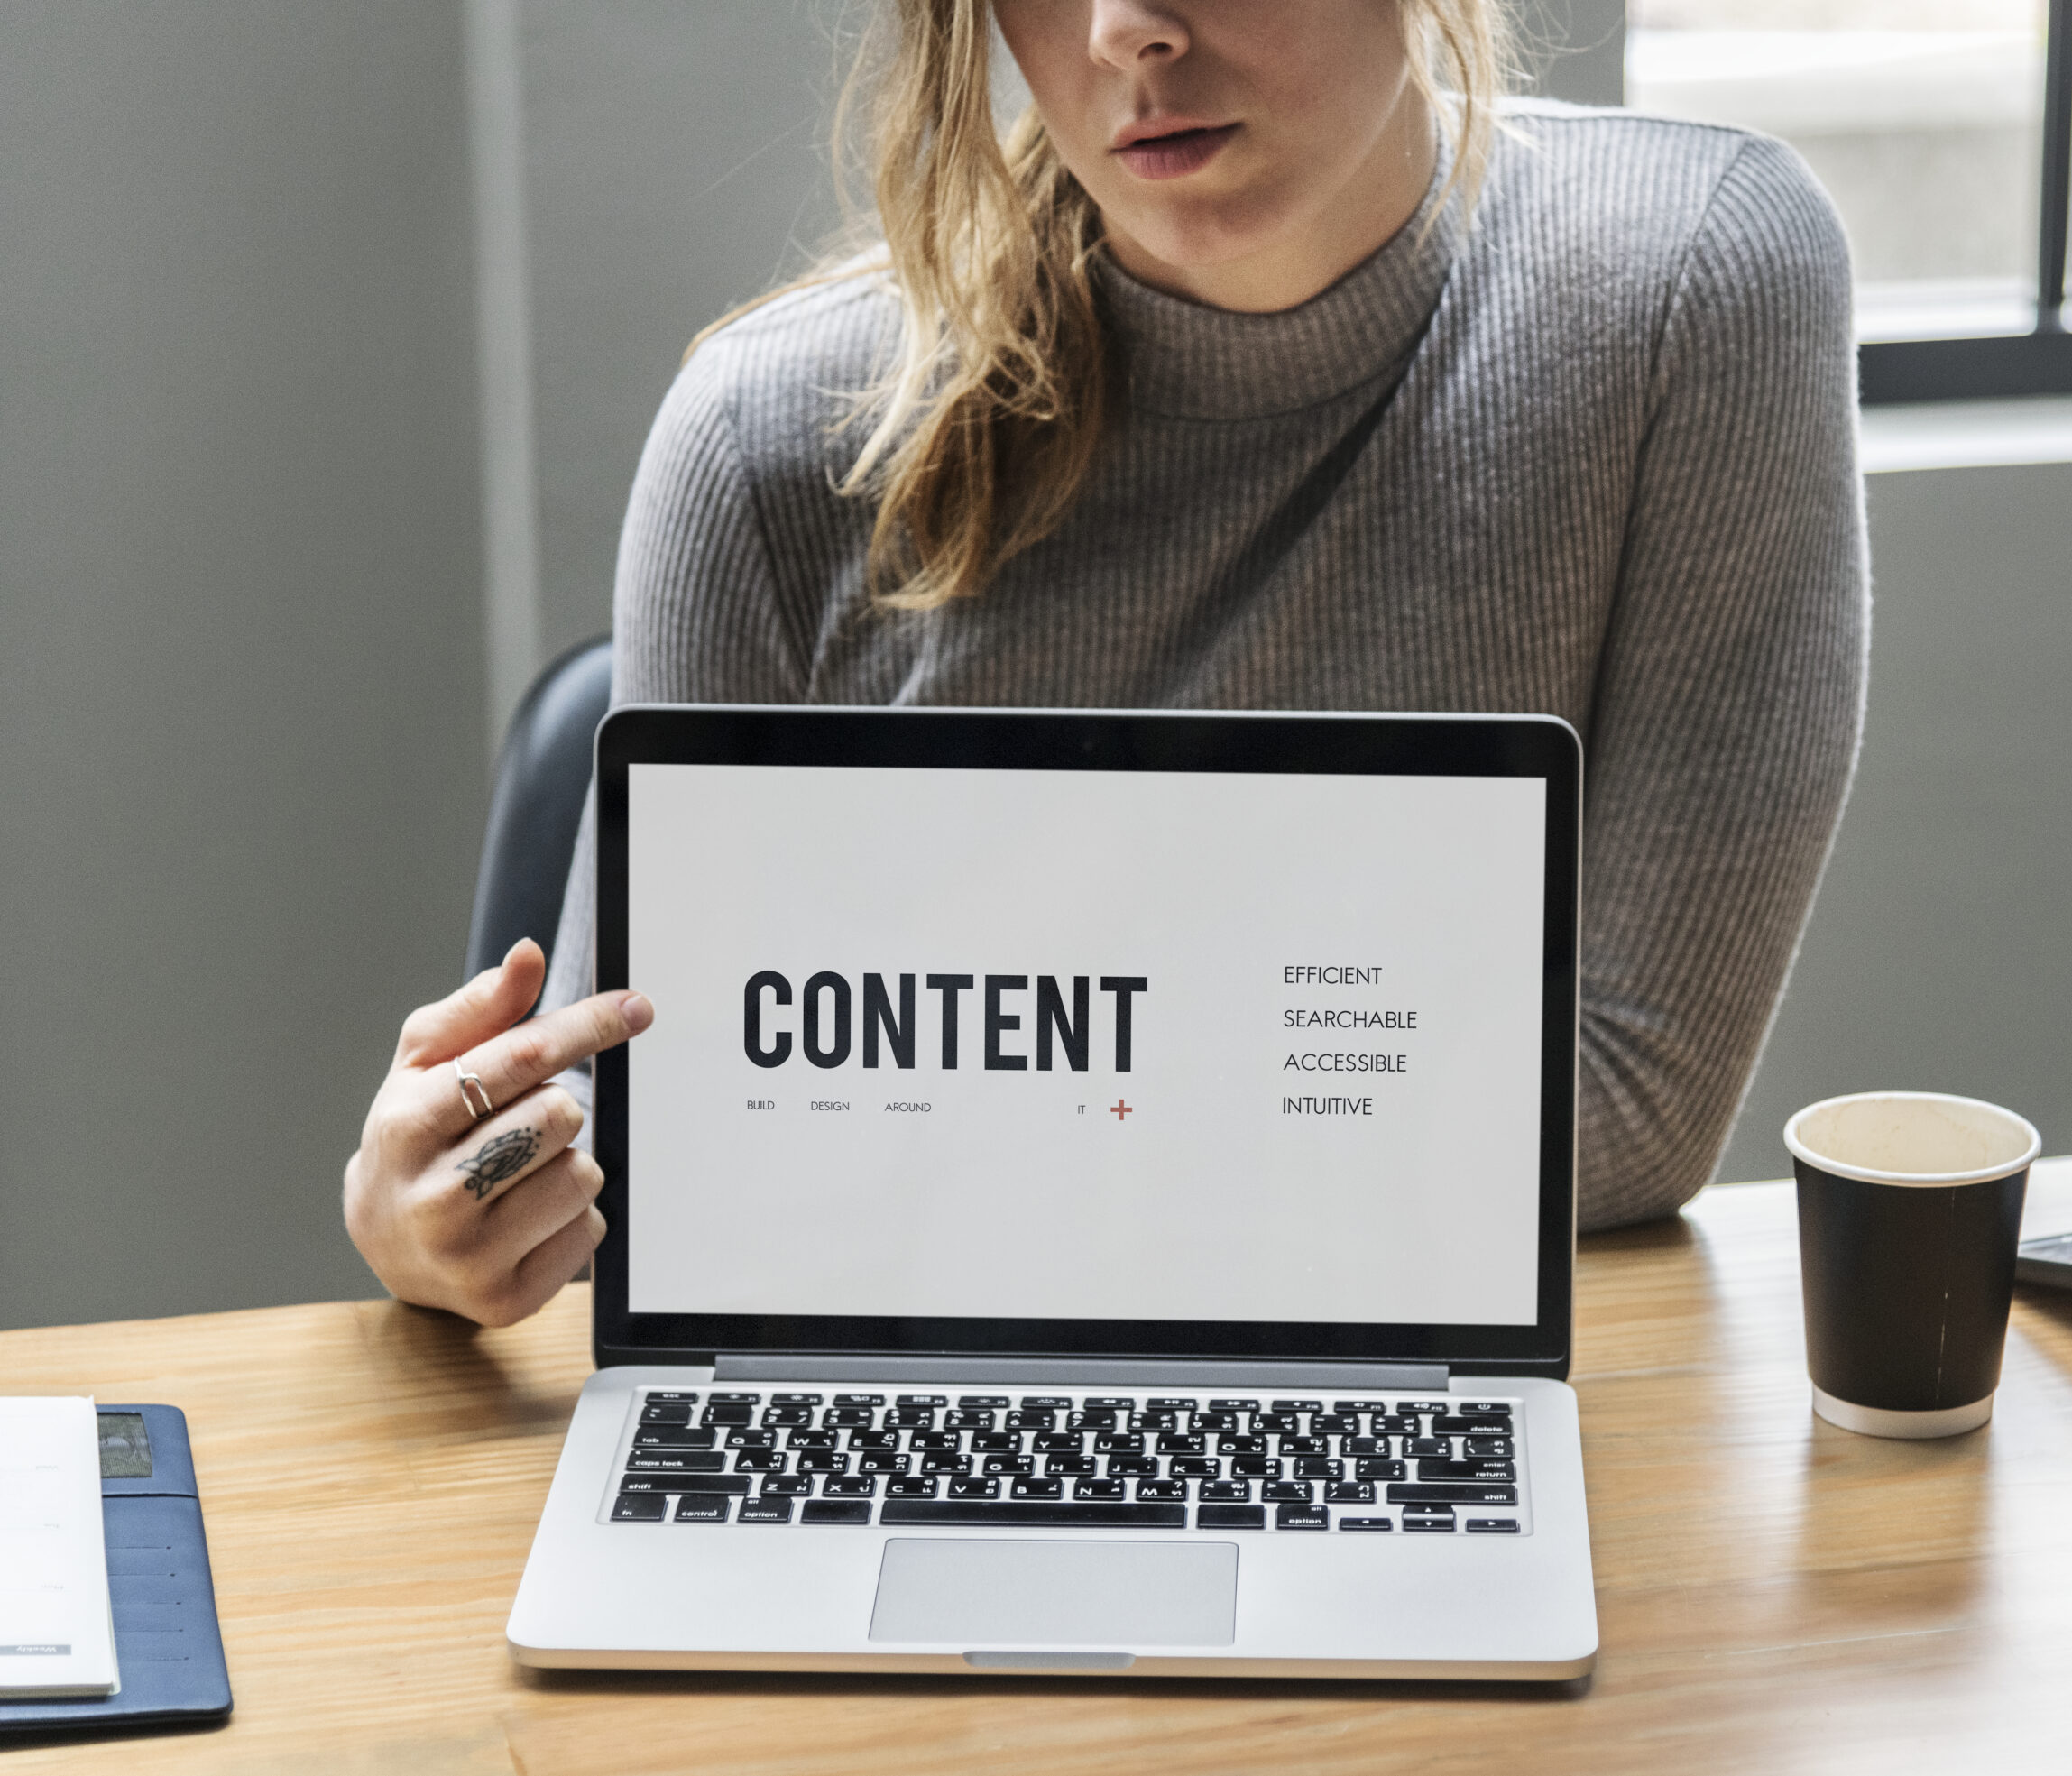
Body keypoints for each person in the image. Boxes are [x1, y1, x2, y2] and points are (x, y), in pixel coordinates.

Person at [345, 0, 1866, 1328]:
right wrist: (445, 1203)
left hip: (1402, 1386)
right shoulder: (769, 441)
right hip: (914, 1397)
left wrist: (928, 1097)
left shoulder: (1690, 295)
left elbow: (1621, 1109)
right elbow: (659, 1158)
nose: (1122, 28)